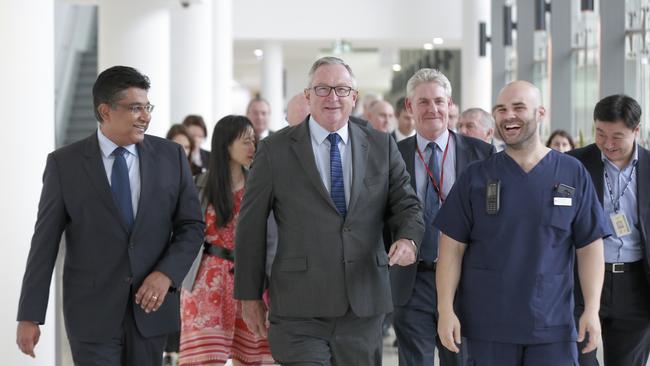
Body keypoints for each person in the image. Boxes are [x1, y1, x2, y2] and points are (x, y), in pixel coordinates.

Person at [234, 56, 424, 365]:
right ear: (308, 96)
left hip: (363, 305)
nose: (332, 97)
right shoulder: (275, 150)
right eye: (322, 89)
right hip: (299, 308)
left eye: (341, 89)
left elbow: (406, 204)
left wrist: (408, 239)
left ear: (354, 96)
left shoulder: (380, 146)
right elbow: (250, 226)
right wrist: (249, 296)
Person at [16, 66, 205, 365]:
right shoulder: (65, 165)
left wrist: (166, 274)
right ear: (105, 111)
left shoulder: (172, 157)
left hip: (150, 312)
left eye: (147, 107)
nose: (146, 116)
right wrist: (30, 315)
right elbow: (44, 243)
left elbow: (192, 226)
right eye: (135, 108)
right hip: (91, 316)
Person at [435, 80, 610, 365]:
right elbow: (451, 247)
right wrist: (445, 309)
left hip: (552, 324)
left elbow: (590, 245)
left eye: (518, 107)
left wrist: (592, 309)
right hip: (489, 325)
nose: (508, 115)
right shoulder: (475, 176)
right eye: (501, 109)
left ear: (541, 113)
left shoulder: (571, 172)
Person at [390, 68, 494, 366]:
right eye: (423, 102)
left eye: (439, 101)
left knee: (461, 360)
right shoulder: (391, 155)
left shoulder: (482, 155)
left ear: (450, 105)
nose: (432, 109)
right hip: (412, 281)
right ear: (409, 107)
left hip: (466, 281)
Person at [179, 115, 274, 366]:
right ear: (226, 145)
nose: (253, 148)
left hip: (250, 280)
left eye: (254, 141)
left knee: (253, 356)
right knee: (206, 358)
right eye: (246, 142)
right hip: (206, 280)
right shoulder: (199, 185)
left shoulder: (261, 185)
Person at [569, 94, 650, 366]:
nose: (607, 144)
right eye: (600, 133)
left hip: (636, 284)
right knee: (578, 358)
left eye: (617, 136)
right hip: (582, 281)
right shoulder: (574, 164)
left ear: (636, 130)